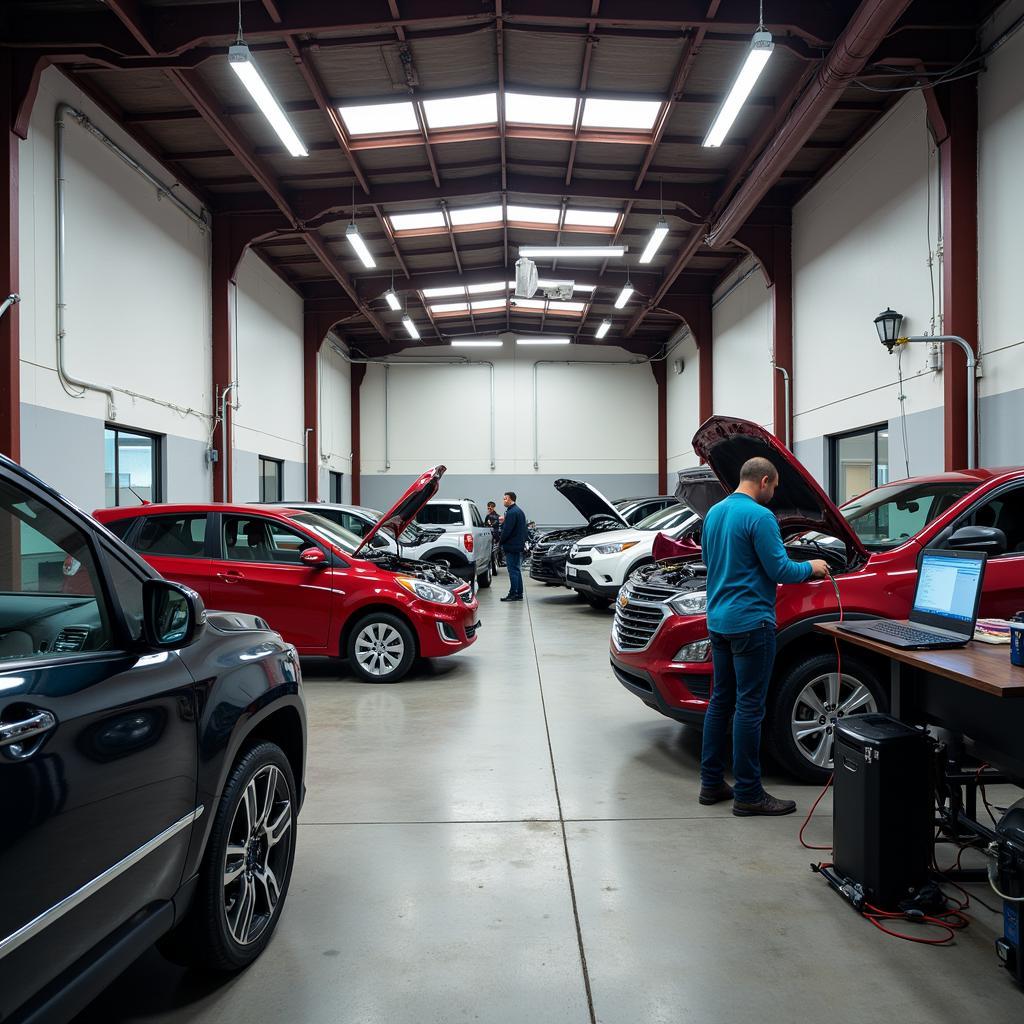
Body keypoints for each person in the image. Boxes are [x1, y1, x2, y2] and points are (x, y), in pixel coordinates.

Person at [698, 456, 829, 817]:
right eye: (775, 486)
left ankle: (711, 784)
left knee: (720, 701)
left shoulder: (714, 514)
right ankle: (749, 794)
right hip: (752, 624)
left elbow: (711, 562)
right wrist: (812, 567)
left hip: (719, 621)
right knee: (750, 708)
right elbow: (780, 569)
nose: (775, 492)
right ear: (766, 480)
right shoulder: (760, 516)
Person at [499, 491, 528, 602]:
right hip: (517, 545)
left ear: (511, 499)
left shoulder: (511, 512)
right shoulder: (518, 511)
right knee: (516, 570)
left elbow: (507, 530)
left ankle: (513, 594)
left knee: (512, 570)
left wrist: (500, 542)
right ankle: (519, 593)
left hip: (511, 546)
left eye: (505, 498)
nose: (504, 501)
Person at [484, 501, 503, 568]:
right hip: (494, 534)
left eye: (490, 508)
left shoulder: (492, 516)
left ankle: (500, 560)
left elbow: (487, 525)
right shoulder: (497, 516)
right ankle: (500, 560)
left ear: (493, 508)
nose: (489, 509)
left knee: (496, 548)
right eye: (488, 508)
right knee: (498, 548)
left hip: (493, 534)